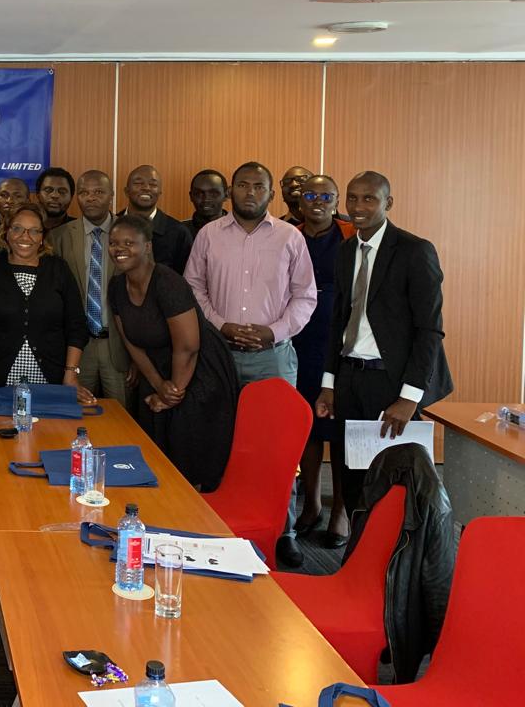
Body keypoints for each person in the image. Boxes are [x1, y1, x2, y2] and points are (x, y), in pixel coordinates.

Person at [185, 161, 316, 567]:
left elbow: (305, 296)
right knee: (219, 440)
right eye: (243, 185)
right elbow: (193, 287)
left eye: (259, 186)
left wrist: (272, 332)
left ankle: (283, 531)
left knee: (277, 447)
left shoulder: (291, 237)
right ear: (231, 191)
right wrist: (220, 325)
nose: (250, 192)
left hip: (272, 357)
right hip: (219, 356)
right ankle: (221, 524)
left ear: (271, 194)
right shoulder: (209, 235)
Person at [316, 171, 454, 524]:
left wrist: (409, 398)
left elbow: (429, 330)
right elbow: (338, 322)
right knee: (352, 478)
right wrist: (329, 385)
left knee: (393, 484)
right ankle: (357, 550)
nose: (358, 207)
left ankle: (394, 554)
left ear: (387, 203)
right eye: (352, 198)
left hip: (391, 382)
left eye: (369, 199)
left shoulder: (414, 251)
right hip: (350, 378)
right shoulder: (347, 250)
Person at [107, 215, 239, 492]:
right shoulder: (116, 286)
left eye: (129, 243)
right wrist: (158, 386)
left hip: (198, 371)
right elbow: (131, 341)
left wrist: (172, 392)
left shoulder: (168, 282)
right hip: (157, 371)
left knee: (188, 459)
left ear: (147, 246)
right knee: (154, 455)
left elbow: (188, 347)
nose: (119, 249)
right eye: (114, 243)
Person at [0, 202, 91, 400]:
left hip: (51, 380)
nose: (25, 237)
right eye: (17, 229)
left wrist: (71, 374)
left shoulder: (58, 269)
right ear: (6, 232)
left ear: (43, 237)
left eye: (34, 231)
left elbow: (76, 326)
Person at [290, 175, 355, 546]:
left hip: (342, 341)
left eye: (326, 196)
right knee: (308, 426)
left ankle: (340, 512)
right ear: (300, 202)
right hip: (301, 340)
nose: (318, 202)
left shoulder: (350, 234)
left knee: (339, 427)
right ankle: (312, 503)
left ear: (336, 201)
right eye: (310, 195)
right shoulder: (290, 234)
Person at [50, 170, 130, 405]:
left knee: (121, 417)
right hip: (77, 347)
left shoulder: (131, 232)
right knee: (75, 413)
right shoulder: (59, 237)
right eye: (84, 192)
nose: (91, 198)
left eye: (99, 192)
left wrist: (139, 355)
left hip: (118, 345)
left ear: (112, 195)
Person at [119, 165, 194, 274]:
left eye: (153, 184)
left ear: (160, 192)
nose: (146, 188)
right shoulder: (112, 226)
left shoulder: (178, 232)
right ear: (126, 191)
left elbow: (185, 278)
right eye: (138, 183)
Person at [183, 169, 229, 240]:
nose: (206, 199)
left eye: (213, 193)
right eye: (199, 193)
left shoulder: (241, 230)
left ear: (226, 195)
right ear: (191, 196)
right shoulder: (178, 231)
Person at [35, 167, 76, 232]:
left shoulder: (81, 229)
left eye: (62, 191)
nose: (55, 195)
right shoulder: (25, 226)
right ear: (38, 195)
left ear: (71, 197)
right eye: (48, 190)